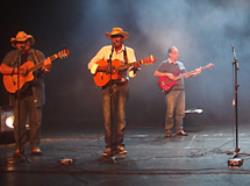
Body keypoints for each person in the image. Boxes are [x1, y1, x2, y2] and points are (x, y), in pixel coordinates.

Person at [88, 27, 138, 158]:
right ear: (111, 39)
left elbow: (131, 73)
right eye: (114, 37)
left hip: (122, 86)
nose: (117, 39)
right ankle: (109, 146)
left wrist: (135, 68)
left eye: (119, 36)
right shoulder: (105, 50)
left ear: (122, 38)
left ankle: (120, 145)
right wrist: (104, 68)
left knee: (120, 117)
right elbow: (90, 65)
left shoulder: (129, 52)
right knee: (107, 117)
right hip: (107, 86)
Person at [0, 31, 51, 157]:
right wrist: (16, 71)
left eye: (24, 42)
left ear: (29, 42)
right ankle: (19, 148)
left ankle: (35, 146)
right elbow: (2, 68)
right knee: (18, 122)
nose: (22, 44)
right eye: (19, 43)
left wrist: (47, 67)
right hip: (17, 93)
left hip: (34, 92)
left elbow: (45, 70)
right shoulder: (12, 55)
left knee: (35, 121)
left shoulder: (37, 55)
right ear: (16, 44)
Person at [154, 46, 201, 137]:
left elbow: (186, 75)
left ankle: (179, 129)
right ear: (170, 54)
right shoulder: (164, 63)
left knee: (180, 112)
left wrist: (195, 73)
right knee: (170, 112)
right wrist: (167, 74)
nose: (177, 55)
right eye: (175, 53)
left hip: (181, 89)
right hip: (171, 90)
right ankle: (168, 130)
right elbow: (156, 73)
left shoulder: (180, 64)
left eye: (178, 53)